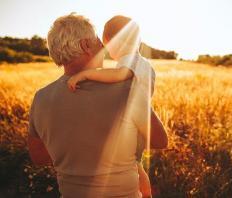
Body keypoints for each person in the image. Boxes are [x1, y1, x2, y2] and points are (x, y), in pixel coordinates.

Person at [27, 13, 168, 198]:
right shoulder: (126, 90)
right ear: (86, 46)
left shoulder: (41, 98)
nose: (103, 46)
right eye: (97, 41)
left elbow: (38, 157)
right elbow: (160, 140)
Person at [67, 15, 154, 197]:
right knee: (136, 164)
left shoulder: (129, 63)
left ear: (113, 43)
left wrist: (87, 75)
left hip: (134, 125)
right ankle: (146, 193)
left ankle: (145, 193)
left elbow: (118, 75)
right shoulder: (145, 64)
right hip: (141, 121)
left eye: (106, 45)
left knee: (134, 166)